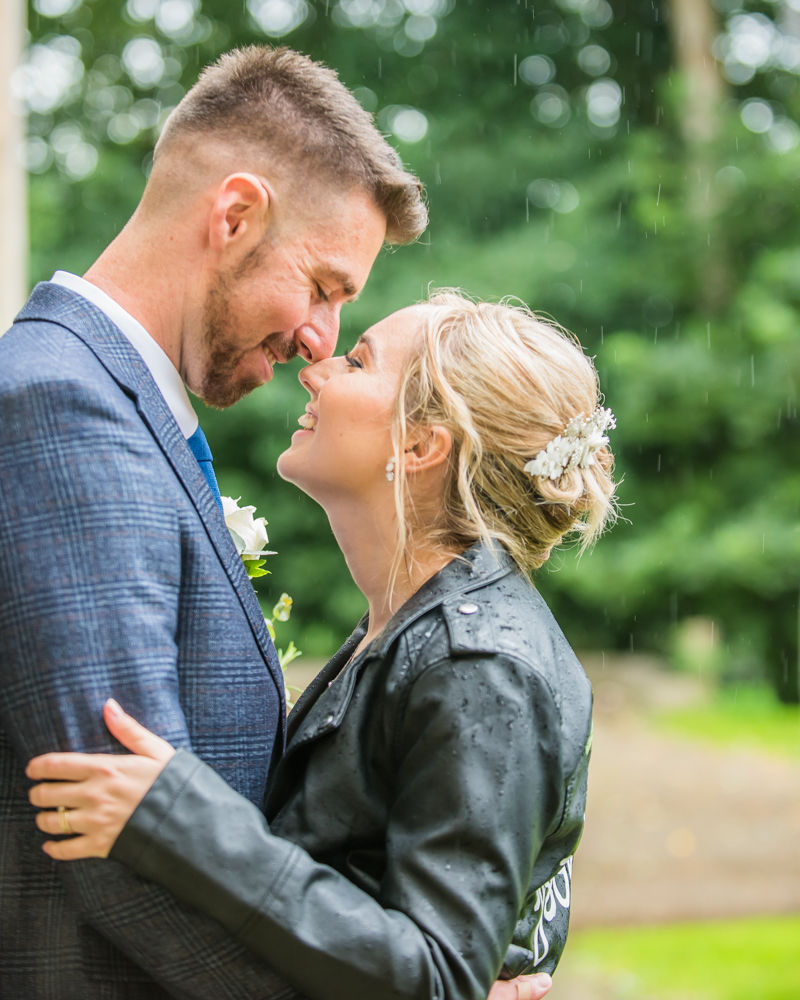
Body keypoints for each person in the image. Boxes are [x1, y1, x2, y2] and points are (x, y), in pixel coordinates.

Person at [27, 291, 618, 1000]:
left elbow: (437, 977)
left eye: (359, 361)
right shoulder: (406, 626)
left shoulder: (479, 665)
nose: (315, 371)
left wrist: (188, 824)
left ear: (422, 444)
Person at [0, 44, 427, 999]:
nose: (321, 339)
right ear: (233, 216)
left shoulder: (119, 405)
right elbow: (123, 838)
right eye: (322, 286)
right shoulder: (60, 406)